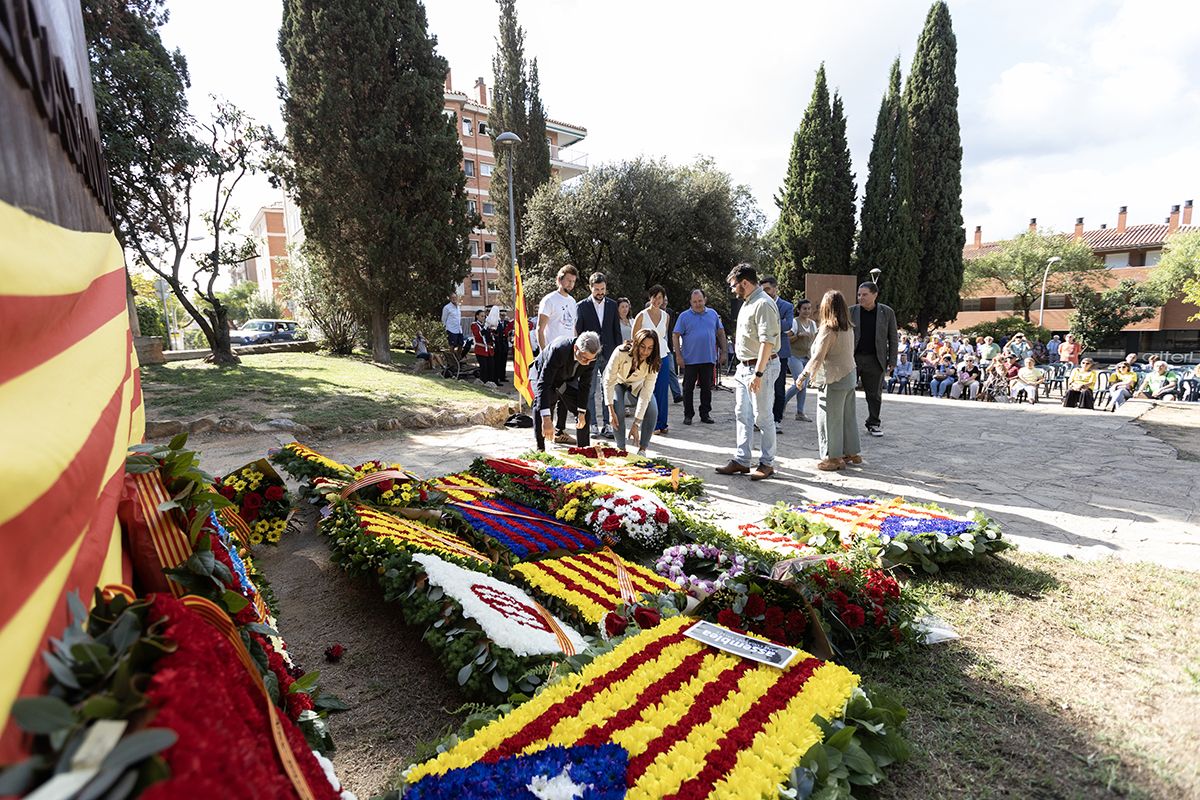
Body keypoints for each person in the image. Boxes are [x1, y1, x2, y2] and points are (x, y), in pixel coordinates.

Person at [716, 263, 781, 481]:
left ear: (745, 283)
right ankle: (742, 460)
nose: (733, 290)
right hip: (745, 368)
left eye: (734, 285)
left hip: (760, 367)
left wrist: (759, 373)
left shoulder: (763, 304)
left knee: (762, 417)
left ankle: (767, 463)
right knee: (742, 415)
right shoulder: (748, 303)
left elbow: (767, 342)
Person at [798, 290, 860, 472]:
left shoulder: (828, 329)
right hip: (849, 375)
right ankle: (851, 452)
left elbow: (818, 356)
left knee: (829, 419)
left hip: (833, 378)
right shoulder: (848, 327)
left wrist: (803, 375)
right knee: (848, 417)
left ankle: (832, 458)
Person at [531, 332, 600, 450]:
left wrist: (581, 412)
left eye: (590, 360)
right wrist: (547, 418)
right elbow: (544, 384)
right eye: (584, 358)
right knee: (542, 407)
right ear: (576, 348)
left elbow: (585, 385)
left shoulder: (590, 358)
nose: (587, 363)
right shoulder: (559, 349)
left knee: (584, 413)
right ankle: (540, 449)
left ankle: (583, 451)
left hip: (564, 379)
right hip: (542, 376)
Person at [576, 272, 622, 439]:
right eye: (597, 290)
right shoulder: (581, 306)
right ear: (590, 288)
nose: (600, 292)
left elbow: (616, 331)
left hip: (609, 354)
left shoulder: (612, 305)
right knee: (589, 389)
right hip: (590, 355)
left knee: (608, 389)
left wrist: (619, 353)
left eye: (602, 289)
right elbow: (579, 334)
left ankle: (608, 425)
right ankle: (592, 424)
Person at [849, 281, 898, 437]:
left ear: (875, 294)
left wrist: (892, 360)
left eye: (864, 295)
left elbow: (893, 337)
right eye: (858, 294)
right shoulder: (851, 311)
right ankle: (846, 423)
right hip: (852, 358)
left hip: (875, 359)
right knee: (847, 391)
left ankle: (874, 423)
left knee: (874, 394)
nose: (860, 298)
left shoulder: (887, 312)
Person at [603, 329, 661, 455]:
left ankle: (642, 449)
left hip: (637, 384)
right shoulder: (620, 352)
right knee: (618, 410)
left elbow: (646, 394)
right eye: (642, 347)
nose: (645, 352)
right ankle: (621, 449)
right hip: (616, 381)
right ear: (636, 343)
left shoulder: (654, 362)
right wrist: (610, 411)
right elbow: (609, 381)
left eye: (650, 348)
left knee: (652, 409)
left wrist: (636, 423)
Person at [673, 289, 726, 425]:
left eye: (700, 301)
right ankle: (688, 415)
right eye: (694, 301)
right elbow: (675, 335)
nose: (697, 304)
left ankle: (705, 414)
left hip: (708, 358)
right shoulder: (684, 316)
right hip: (690, 359)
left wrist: (724, 352)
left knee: (707, 388)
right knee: (688, 388)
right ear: (690, 302)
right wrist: (678, 355)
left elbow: (720, 333)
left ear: (705, 300)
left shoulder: (713, 314)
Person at [633, 285, 673, 435]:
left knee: (663, 390)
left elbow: (663, 336)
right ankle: (652, 423)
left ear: (663, 299)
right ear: (650, 298)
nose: (657, 301)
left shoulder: (666, 316)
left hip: (663, 356)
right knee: (650, 391)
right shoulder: (642, 315)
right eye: (654, 297)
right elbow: (634, 338)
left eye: (660, 298)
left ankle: (662, 423)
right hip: (646, 357)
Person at [759, 276, 793, 435]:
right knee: (762, 389)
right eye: (763, 290)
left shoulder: (786, 306)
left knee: (779, 389)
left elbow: (788, 325)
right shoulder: (759, 304)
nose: (765, 292)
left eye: (768, 289)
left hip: (780, 353)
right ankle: (760, 420)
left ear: (775, 288)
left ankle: (776, 419)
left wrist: (769, 325)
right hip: (760, 353)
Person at [783, 298, 817, 419]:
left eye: (809, 308)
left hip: (808, 357)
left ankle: (800, 412)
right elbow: (786, 339)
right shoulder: (794, 322)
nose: (807, 311)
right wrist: (798, 336)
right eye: (804, 309)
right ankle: (782, 402)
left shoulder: (813, 324)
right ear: (798, 310)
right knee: (800, 383)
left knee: (804, 385)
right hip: (794, 356)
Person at [537, 264, 578, 350]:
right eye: (568, 280)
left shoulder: (573, 301)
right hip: (552, 352)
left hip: (568, 352)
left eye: (573, 281)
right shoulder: (549, 300)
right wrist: (544, 353)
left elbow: (573, 328)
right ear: (559, 279)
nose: (571, 284)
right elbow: (540, 330)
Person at [470, 310, 495, 387]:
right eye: (482, 316)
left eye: (484, 316)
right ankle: (483, 383)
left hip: (488, 350)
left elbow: (490, 337)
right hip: (480, 349)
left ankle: (490, 383)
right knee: (484, 368)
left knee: (491, 367)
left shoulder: (484, 325)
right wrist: (486, 327)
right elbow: (479, 335)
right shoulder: (474, 325)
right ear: (477, 316)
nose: (483, 318)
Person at [441, 293, 465, 359]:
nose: (454, 299)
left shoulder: (458, 307)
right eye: (452, 297)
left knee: (461, 344)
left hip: (459, 329)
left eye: (455, 297)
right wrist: (445, 329)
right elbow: (443, 319)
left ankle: (457, 359)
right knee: (452, 345)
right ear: (450, 298)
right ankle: (451, 360)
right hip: (451, 329)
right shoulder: (447, 307)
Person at [493, 309, 512, 385]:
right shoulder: (496, 323)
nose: (503, 317)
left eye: (504, 315)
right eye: (501, 315)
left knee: (504, 361)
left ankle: (502, 376)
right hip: (498, 344)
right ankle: (497, 376)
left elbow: (509, 332)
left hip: (504, 344)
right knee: (498, 361)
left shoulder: (507, 323)